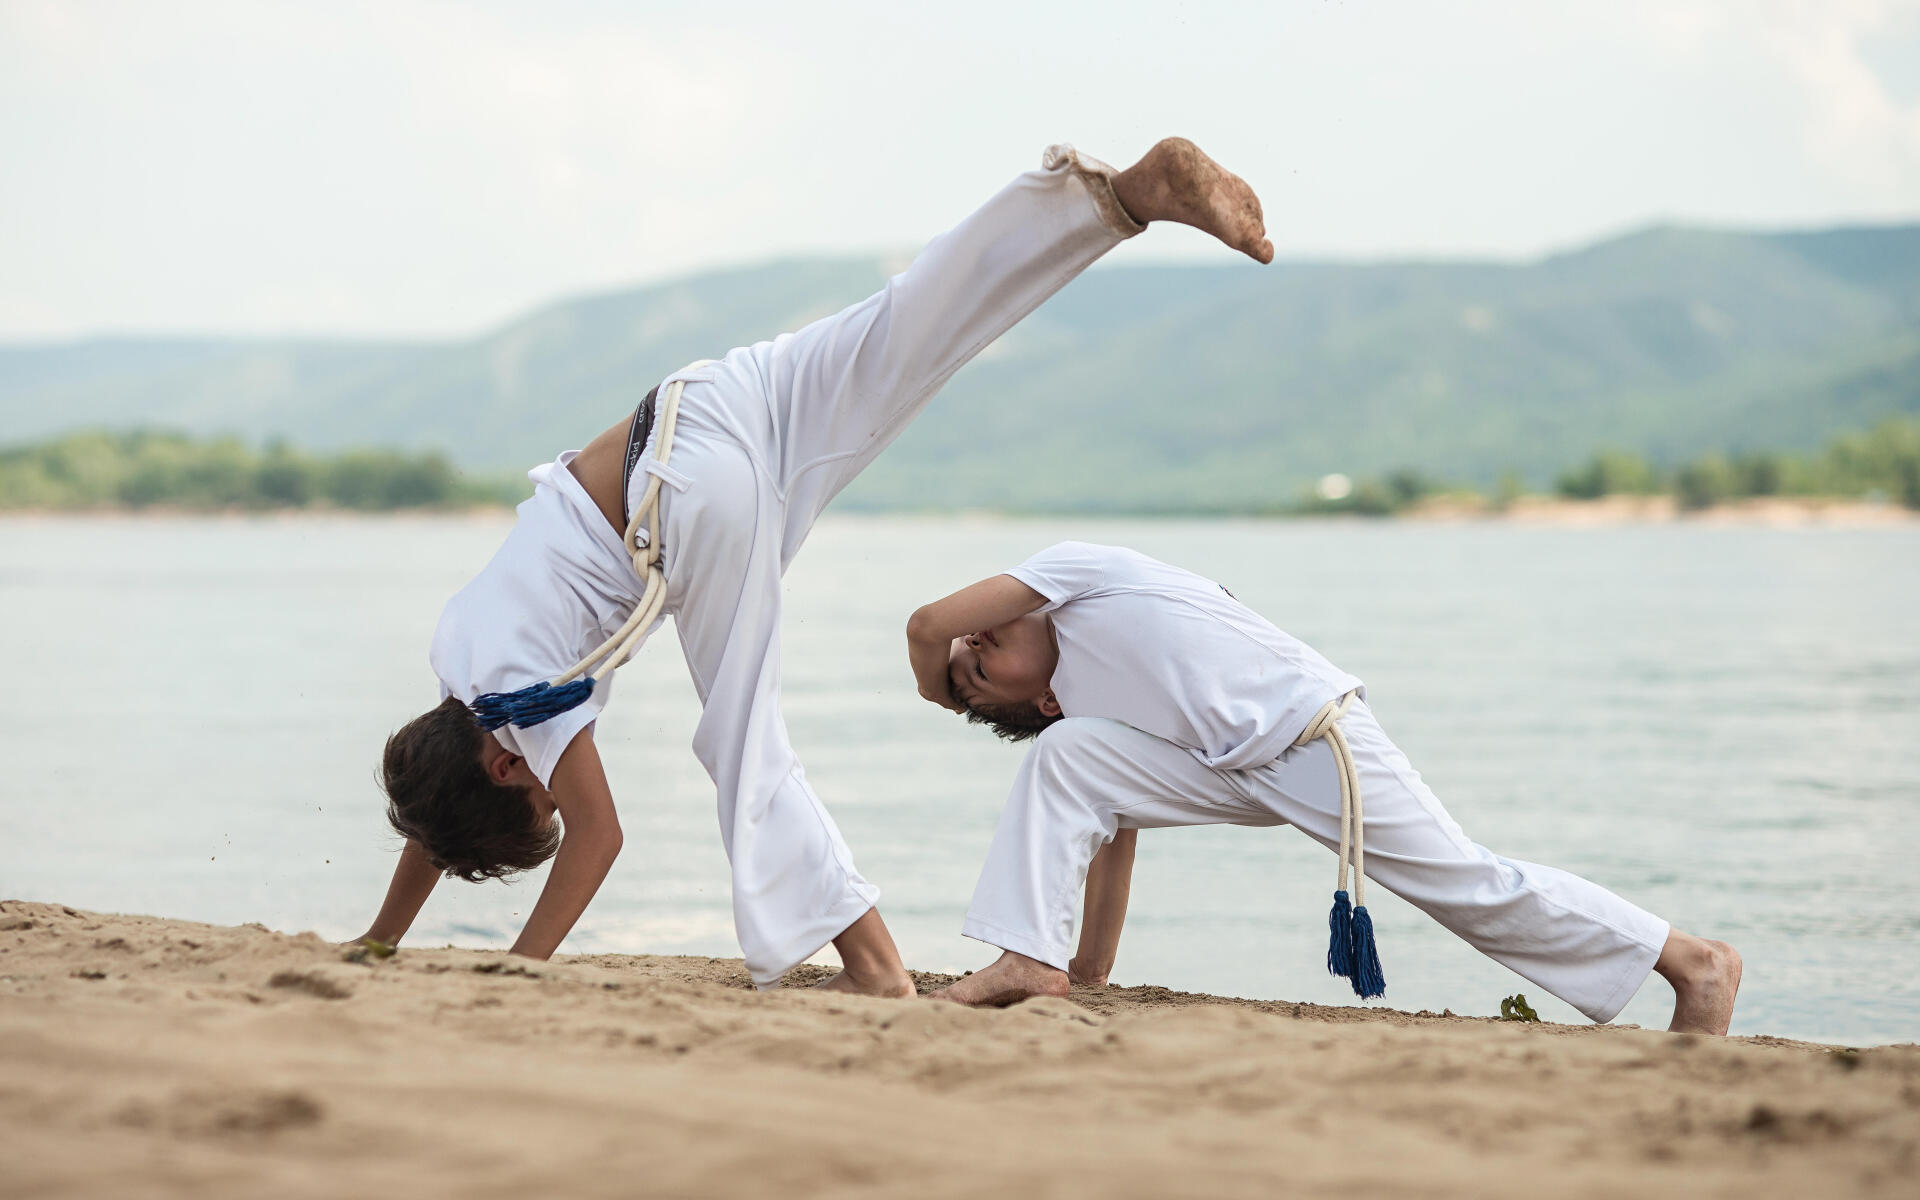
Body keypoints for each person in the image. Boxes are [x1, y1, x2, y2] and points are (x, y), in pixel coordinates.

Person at [352, 140, 1277, 997]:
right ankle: (1120, 198)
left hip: (689, 496)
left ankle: (874, 963)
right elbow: (437, 818)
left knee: (743, 741)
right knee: (913, 323)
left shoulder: (516, 713)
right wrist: (380, 940)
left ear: (508, 770)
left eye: (540, 797)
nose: (559, 785)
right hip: (704, 404)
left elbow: (600, 840)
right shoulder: (462, 669)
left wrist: (522, 974)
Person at [907, 541, 1744, 1034]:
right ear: (1043, 698)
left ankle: (1692, 963)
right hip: (1235, 768)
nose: (975, 639)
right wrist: (1087, 974)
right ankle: (1030, 959)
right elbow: (1105, 843)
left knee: (1463, 884)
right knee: (1065, 760)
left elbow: (926, 626)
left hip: (1313, 735)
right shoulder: (1082, 715)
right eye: (981, 667)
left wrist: (935, 683)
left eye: (976, 645)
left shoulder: (1073, 571)